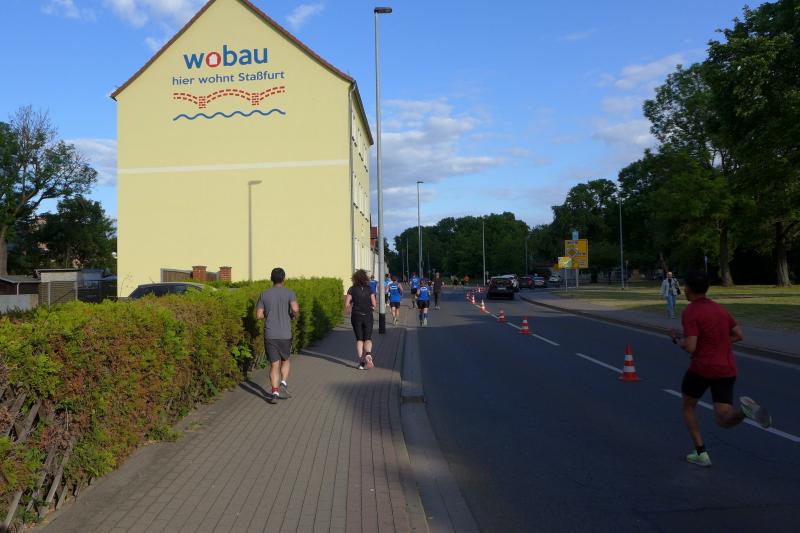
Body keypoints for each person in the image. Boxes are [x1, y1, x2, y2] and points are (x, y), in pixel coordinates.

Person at [670, 271, 772, 467]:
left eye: (685, 286)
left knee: (688, 406)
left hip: (702, 368)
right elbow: (739, 335)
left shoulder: (691, 311)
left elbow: (690, 346)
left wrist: (676, 340)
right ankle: (745, 411)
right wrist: (717, 343)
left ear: (688, 288)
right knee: (723, 418)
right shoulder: (719, 309)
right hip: (726, 369)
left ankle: (701, 453)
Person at [256, 267, 299, 404]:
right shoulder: (290, 293)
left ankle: (274, 392)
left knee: (274, 364)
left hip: (270, 334)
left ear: (271, 279)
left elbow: (259, 315)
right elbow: (295, 308)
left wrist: (267, 314)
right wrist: (293, 315)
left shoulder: (264, 294)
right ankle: (283, 382)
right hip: (285, 334)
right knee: (285, 359)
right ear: (284, 279)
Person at [345, 269, 377, 370]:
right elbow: (374, 304)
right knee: (368, 338)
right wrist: (371, 308)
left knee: (359, 339)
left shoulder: (352, 289)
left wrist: (350, 307)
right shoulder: (369, 289)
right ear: (365, 278)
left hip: (356, 316)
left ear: (355, 278)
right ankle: (368, 354)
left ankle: (362, 363)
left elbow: (347, 304)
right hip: (368, 316)